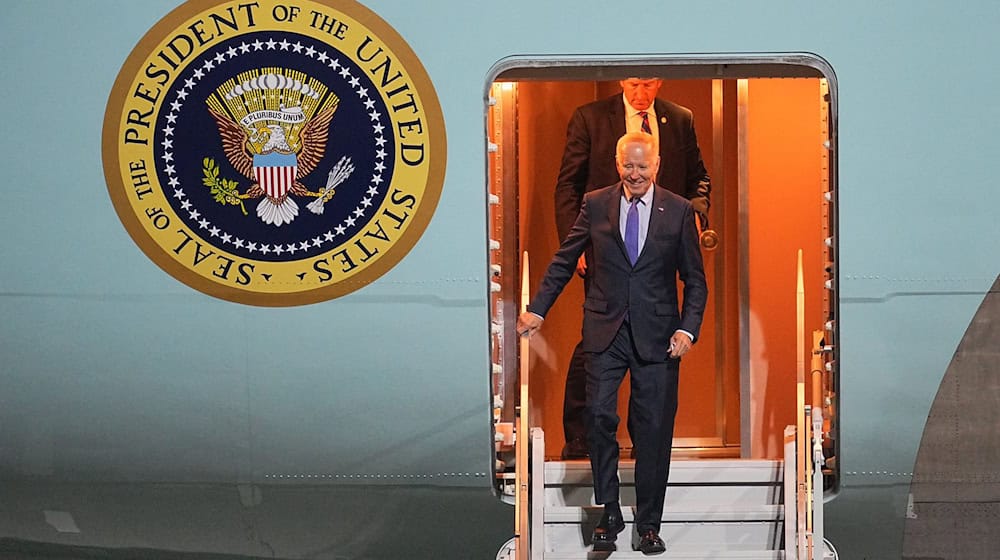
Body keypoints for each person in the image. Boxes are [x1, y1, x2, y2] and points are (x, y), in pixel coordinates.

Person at [518, 133, 707, 554]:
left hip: (660, 337)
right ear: (617, 163)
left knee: (653, 430)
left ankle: (649, 524)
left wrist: (687, 330)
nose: (635, 174)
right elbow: (566, 259)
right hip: (605, 329)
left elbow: (695, 281)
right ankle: (609, 510)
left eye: (642, 166)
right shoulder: (596, 202)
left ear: (656, 165)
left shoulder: (678, 212)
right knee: (599, 417)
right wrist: (538, 309)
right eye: (628, 166)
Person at [555, 78, 711, 460]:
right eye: (634, 83)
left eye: (649, 83)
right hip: (605, 251)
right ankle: (581, 436)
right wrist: (575, 244)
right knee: (597, 338)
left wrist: (696, 214)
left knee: (653, 339)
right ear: (623, 82)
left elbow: (699, 179)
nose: (641, 90)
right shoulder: (590, 118)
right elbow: (568, 186)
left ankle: (648, 442)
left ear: (659, 83)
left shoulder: (680, 118)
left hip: (658, 249)